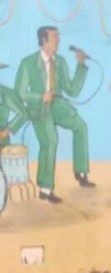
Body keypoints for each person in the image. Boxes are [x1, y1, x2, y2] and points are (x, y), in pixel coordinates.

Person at [15, 26, 94, 203]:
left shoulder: (61, 62)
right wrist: (40, 96)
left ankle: (81, 172)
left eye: (58, 37)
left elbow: (72, 90)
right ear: (44, 40)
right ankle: (45, 188)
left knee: (80, 126)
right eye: (55, 37)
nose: (58, 41)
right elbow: (20, 93)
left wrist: (81, 65)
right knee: (50, 140)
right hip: (39, 107)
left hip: (57, 105)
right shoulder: (28, 63)